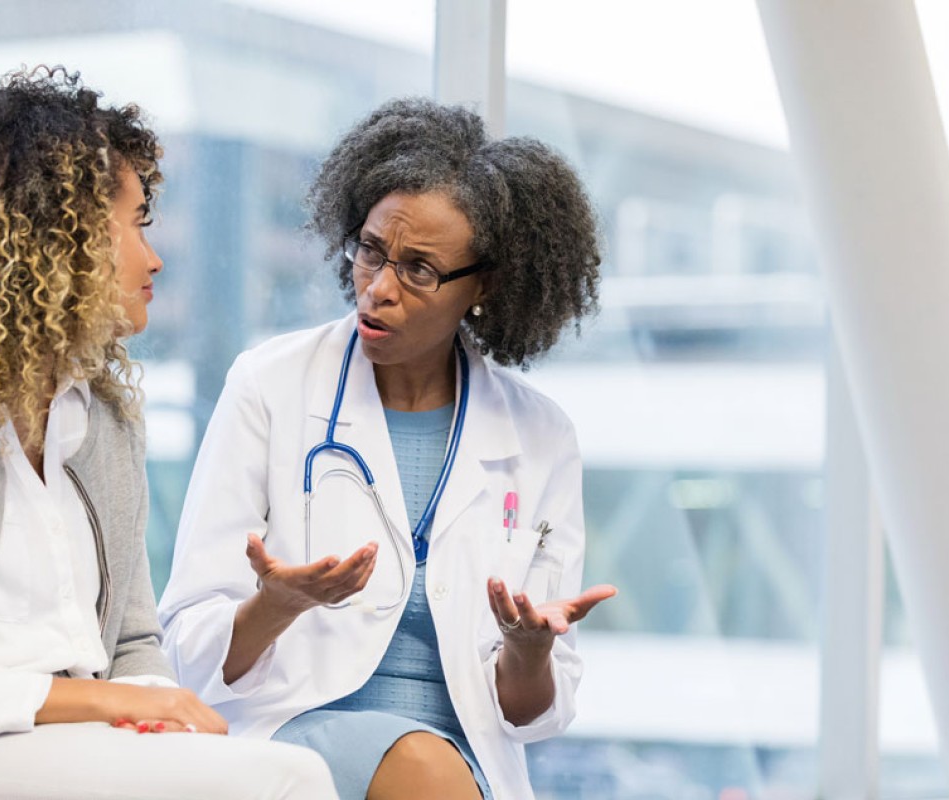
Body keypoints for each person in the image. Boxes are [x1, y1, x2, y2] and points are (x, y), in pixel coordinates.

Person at [0, 67, 337, 800]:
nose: (155, 258)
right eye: (137, 223)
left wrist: (154, 709)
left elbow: (136, 640)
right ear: (57, 239)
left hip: (81, 748)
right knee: (289, 780)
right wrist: (112, 702)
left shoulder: (105, 420)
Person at [159, 97, 618, 800]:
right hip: (295, 734)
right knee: (422, 769)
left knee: (434, 770)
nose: (378, 289)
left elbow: (534, 716)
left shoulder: (540, 435)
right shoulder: (270, 387)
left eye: (419, 269)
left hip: (471, 765)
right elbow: (186, 650)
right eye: (371, 251)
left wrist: (530, 652)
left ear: (483, 287)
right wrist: (276, 605)